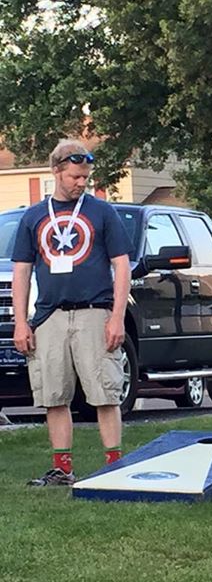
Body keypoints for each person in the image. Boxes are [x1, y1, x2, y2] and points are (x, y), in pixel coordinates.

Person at [12, 139, 132, 486]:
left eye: (85, 177)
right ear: (56, 172)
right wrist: (21, 322)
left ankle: (114, 465)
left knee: (105, 392)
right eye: (75, 177)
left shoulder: (102, 212)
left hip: (94, 311)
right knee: (53, 394)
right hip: (50, 315)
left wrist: (117, 316)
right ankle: (62, 469)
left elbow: (121, 265)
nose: (82, 183)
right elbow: (22, 271)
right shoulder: (34, 217)